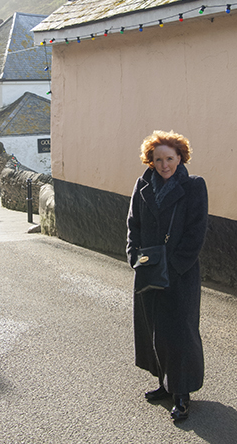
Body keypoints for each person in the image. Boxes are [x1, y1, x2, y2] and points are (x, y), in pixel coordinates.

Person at [126, 130, 208, 421]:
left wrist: (174, 266)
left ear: (180, 157)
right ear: (150, 160)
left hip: (179, 272)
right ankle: (164, 383)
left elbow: (196, 231)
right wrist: (134, 256)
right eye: (158, 159)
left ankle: (182, 393)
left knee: (180, 333)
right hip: (148, 269)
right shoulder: (143, 184)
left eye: (170, 158)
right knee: (153, 328)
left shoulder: (194, 186)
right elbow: (133, 224)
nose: (164, 165)